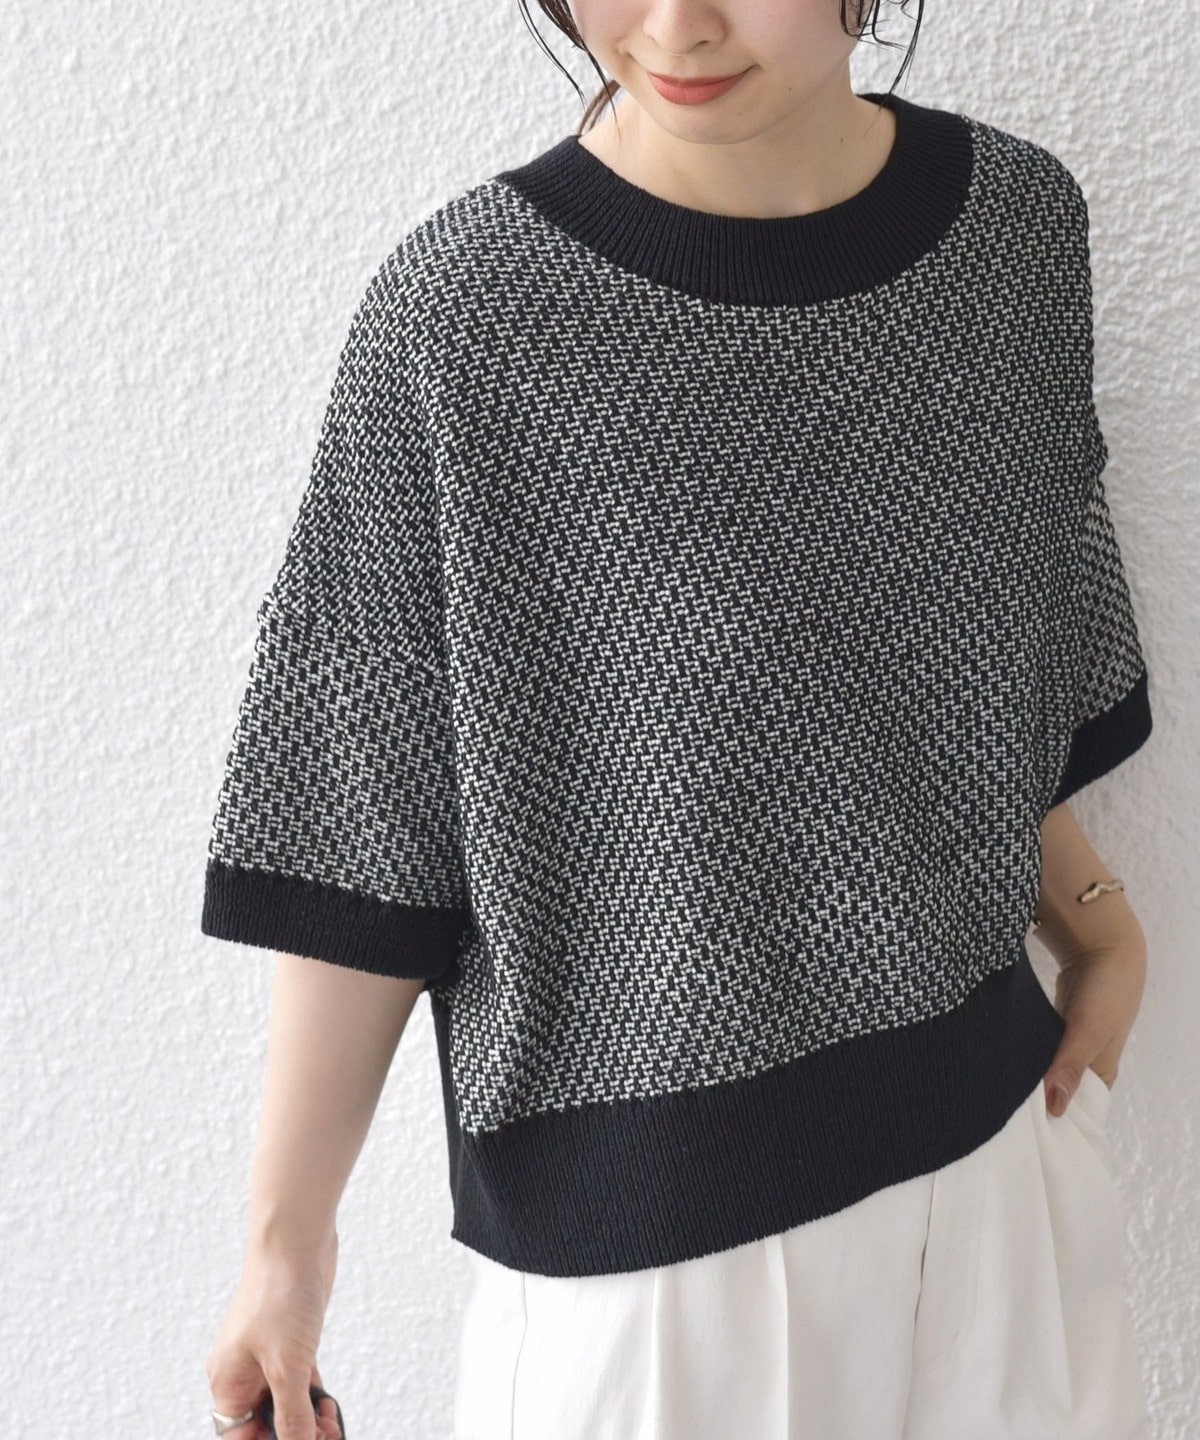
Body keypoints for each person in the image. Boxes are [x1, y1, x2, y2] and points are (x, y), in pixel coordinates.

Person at [202, 1, 1158, 1436]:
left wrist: (1089, 907)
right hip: (659, 1267)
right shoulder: (468, 318)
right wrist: (286, 1255)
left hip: (1000, 1166)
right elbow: (362, 809)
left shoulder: (1015, 232)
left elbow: (976, 667)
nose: (674, 25)